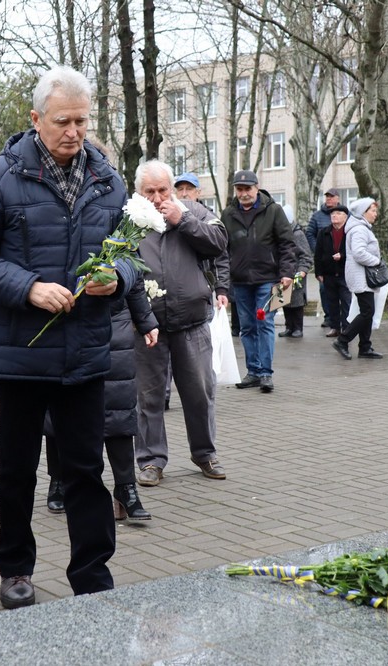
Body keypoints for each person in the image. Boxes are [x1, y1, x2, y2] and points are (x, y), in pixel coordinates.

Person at [0, 65, 136, 610]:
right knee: (16, 471)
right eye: (62, 122)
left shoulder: (108, 180)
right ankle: (16, 569)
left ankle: (92, 573)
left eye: (81, 121)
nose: (73, 132)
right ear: (36, 119)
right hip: (22, 354)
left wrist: (118, 278)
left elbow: (131, 252)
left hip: (85, 353)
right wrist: (29, 287)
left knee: (85, 470)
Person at [132, 160, 228, 486]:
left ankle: (205, 453)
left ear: (172, 189)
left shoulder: (194, 211)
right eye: (150, 191)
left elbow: (219, 242)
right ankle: (151, 461)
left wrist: (183, 220)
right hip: (147, 326)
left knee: (200, 393)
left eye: (163, 190)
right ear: (139, 192)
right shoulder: (130, 221)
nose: (158, 198)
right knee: (148, 398)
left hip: (192, 321)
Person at [44, 275, 160, 520]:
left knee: (119, 407)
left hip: (114, 321)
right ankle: (59, 481)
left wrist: (146, 321)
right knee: (59, 408)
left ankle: (126, 488)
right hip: (64, 316)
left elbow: (133, 274)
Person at [220, 170, 297, 393]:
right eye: (239, 189)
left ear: (257, 187)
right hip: (240, 280)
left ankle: (265, 373)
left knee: (265, 323)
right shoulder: (228, 214)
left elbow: (287, 244)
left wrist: (287, 273)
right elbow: (223, 248)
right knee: (246, 327)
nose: (244, 193)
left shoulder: (273, 210)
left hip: (269, 279)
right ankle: (253, 371)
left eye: (248, 189)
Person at [332, 198, 384, 360]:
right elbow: (359, 253)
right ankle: (342, 340)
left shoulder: (361, 227)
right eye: (373, 211)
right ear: (363, 212)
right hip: (361, 277)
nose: (375, 214)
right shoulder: (360, 229)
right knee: (367, 312)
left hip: (363, 276)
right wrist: (377, 261)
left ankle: (365, 347)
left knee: (366, 312)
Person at [314, 205, 352, 338]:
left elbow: (353, 251)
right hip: (328, 273)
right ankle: (335, 327)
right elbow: (318, 253)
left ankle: (346, 327)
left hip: (345, 273)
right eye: (332, 214)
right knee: (332, 302)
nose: (334, 216)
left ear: (345, 217)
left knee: (346, 301)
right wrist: (318, 272)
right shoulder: (324, 232)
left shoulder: (349, 232)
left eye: (338, 213)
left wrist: (342, 255)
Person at [306, 188, 341, 328]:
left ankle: (342, 316)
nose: (328, 199)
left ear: (338, 198)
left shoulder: (345, 214)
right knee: (324, 288)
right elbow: (309, 233)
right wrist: (318, 250)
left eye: (331, 196)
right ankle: (328, 317)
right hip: (324, 260)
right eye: (327, 196)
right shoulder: (317, 216)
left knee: (342, 289)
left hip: (341, 259)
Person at [276, 204, 312, 339]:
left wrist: (302, 270)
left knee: (296, 302)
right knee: (284, 300)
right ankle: (289, 327)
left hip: (296, 273)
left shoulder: (297, 234)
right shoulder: (280, 234)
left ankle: (297, 328)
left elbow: (306, 255)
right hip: (283, 271)